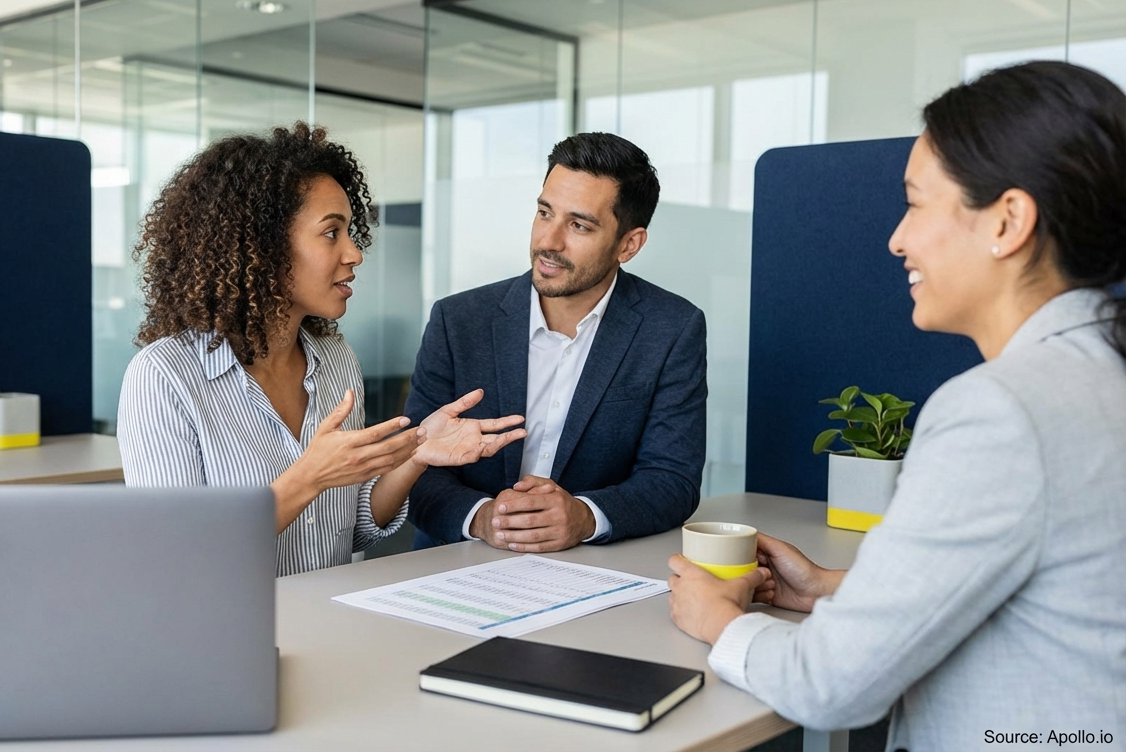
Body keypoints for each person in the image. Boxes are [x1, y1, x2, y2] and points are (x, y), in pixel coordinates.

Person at [667, 61, 1126, 750]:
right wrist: (830, 589)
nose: (896, 239)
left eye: (915, 203)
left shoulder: (1002, 411)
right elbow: (1054, 599)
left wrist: (717, 620)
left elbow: (828, 685)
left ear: (1008, 220)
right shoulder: (1100, 373)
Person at [118, 123, 525, 577]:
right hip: (228, 634)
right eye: (331, 233)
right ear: (262, 244)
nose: (354, 254)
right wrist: (309, 475)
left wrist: (415, 455)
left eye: (351, 232)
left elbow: (347, 528)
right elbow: (175, 556)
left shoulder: (335, 358)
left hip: (328, 620)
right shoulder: (163, 376)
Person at [404, 132, 707, 552]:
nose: (549, 241)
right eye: (545, 213)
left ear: (629, 244)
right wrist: (484, 518)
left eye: (579, 225)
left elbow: (672, 479)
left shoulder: (671, 328)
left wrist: (584, 516)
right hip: (455, 560)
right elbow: (415, 466)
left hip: (587, 572)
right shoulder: (458, 321)